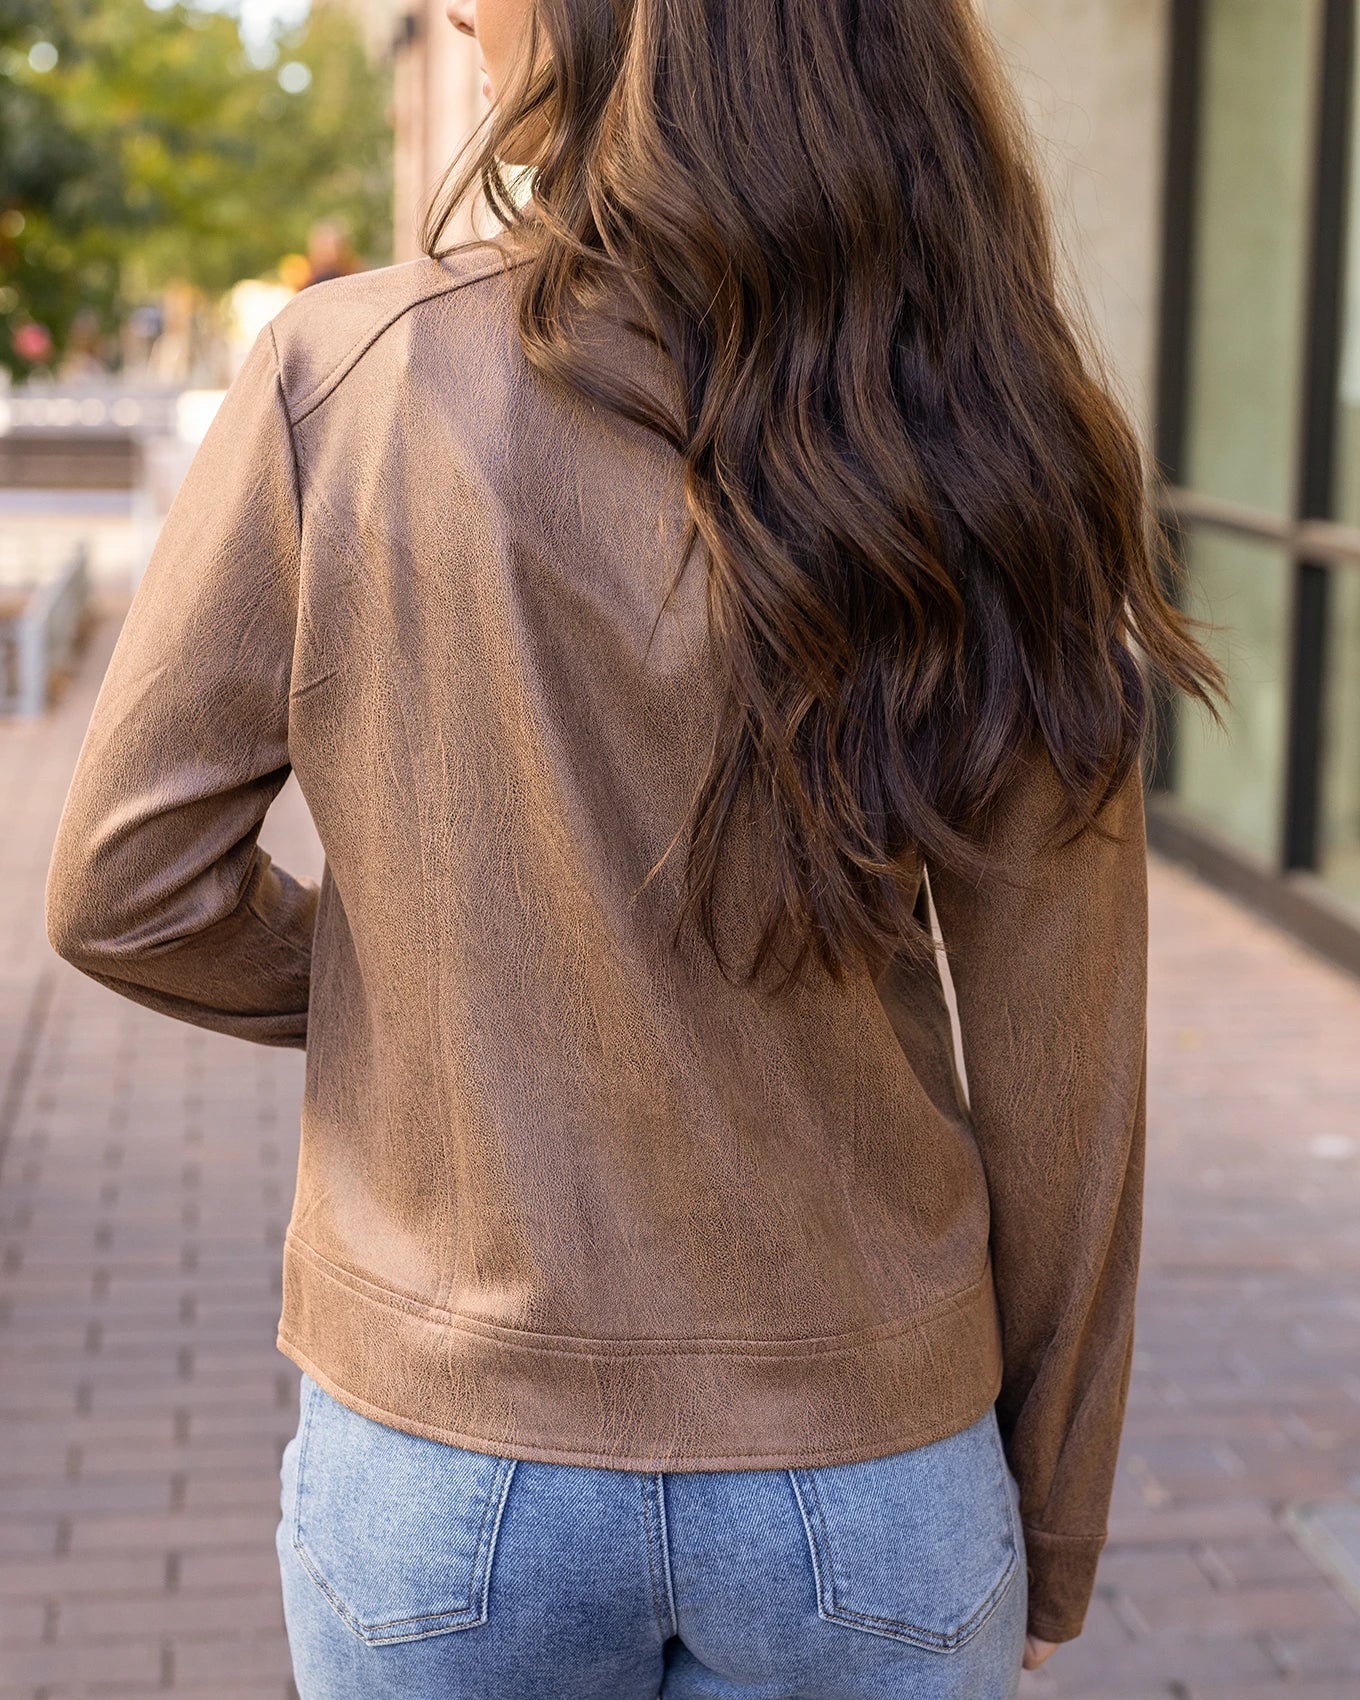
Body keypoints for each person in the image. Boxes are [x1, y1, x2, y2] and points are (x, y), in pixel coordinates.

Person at [43, 0, 1226, 1696]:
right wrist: (1051, 1523)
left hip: (448, 1463)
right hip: (870, 1475)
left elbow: (123, 886)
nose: (460, 5)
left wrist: (442, 988)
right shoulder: (985, 431)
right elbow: (1069, 1082)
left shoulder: (345, 375)